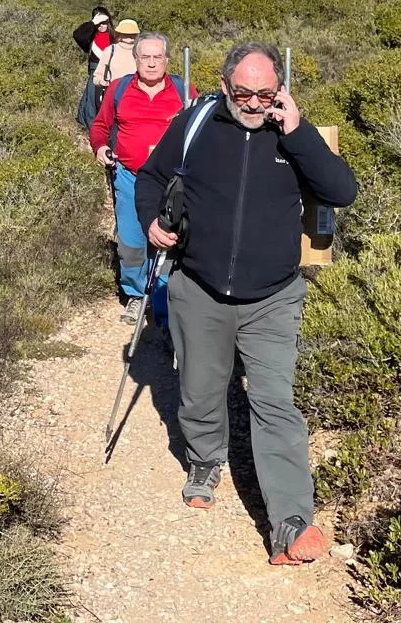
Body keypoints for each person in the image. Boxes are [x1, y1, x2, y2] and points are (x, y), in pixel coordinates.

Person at [135, 41, 357, 567]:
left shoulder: (293, 133)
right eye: (243, 93)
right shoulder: (196, 124)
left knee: (275, 403)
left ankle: (291, 520)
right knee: (200, 388)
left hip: (274, 296)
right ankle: (205, 459)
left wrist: (297, 133)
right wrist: (150, 223)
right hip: (199, 287)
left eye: (265, 93)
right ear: (224, 85)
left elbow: (341, 191)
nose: (255, 103)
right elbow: (151, 177)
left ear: (279, 89)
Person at [88, 32, 187, 328]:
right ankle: (134, 294)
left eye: (158, 57)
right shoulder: (120, 89)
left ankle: (163, 299)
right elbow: (100, 125)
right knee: (131, 241)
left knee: (167, 239)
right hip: (129, 176)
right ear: (136, 59)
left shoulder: (183, 90)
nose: (152, 63)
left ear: (167, 60)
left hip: (171, 183)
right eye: (145, 57)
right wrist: (100, 147)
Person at [72, 5, 113, 129]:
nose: (101, 25)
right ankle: (91, 127)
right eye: (98, 23)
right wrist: (93, 23)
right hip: (95, 72)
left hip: (112, 73)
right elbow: (77, 35)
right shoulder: (90, 37)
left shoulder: (115, 37)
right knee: (91, 99)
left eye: (104, 22)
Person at [93, 18, 143, 91]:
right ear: (119, 34)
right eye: (125, 33)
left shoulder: (142, 50)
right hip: (113, 94)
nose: (129, 36)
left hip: (136, 94)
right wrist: (101, 81)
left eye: (132, 33)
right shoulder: (110, 51)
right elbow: (97, 76)